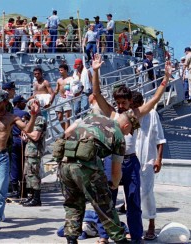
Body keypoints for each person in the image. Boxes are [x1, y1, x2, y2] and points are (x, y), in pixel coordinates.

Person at [92, 53, 172, 243]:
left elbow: (154, 100)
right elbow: (96, 94)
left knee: (134, 201)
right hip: (112, 161)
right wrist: (95, 71)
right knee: (108, 200)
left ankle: (136, 236)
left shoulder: (135, 115)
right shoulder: (111, 113)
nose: (120, 106)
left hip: (131, 161)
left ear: (130, 102)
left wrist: (166, 78)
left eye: (124, 103)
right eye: (118, 102)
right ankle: (105, 235)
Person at [58, 110, 140, 244]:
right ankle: (120, 240)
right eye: (129, 131)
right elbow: (116, 170)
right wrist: (114, 184)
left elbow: (68, 132)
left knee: (73, 204)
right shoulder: (119, 136)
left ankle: (71, 240)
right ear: (126, 126)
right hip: (86, 168)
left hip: (65, 164)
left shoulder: (94, 116)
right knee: (104, 205)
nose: (128, 134)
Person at [0, 89, 39, 232]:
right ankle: (0, 211)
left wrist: (33, 115)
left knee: (0, 190)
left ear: (5, 102)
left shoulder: (11, 117)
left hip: (2, 156)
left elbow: (27, 129)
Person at [132, 91, 166, 240]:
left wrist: (159, 159)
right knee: (132, 195)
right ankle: (135, 227)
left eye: (136, 106)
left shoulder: (152, 114)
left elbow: (160, 138)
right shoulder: (129, 114)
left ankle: (151, 223)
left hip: (148, 159)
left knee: (147, 192)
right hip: (132, 160)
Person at [21, 99, 47, 207]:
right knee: (28, 174)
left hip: (34, 151)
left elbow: (36, 136)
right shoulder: (33, 119)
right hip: (29, 150)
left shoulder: (39, 119)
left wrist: (27, 133)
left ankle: (36, 198)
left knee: (34, 175)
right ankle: (31, 196)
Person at [9, 95, 29, 199]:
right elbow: (28, 127)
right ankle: (23, 190)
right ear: (18, 103)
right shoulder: (24, 114)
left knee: (14, 165)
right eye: (23, 102)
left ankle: (14, 189)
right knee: (22, 165)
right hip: (21, 140)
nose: (25, 104)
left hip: (12, 140)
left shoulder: (9, 112)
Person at [54, 64, 73, 131]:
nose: (60, 71)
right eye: (59, 70)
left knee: (67, 118)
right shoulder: (59, 80)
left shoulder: (70, 79)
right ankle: (66, 131)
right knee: (59, 117)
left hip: (67, 98)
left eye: (61, 70)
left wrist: (66, 94)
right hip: (60, 98)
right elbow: (56, 90)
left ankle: (67, 134)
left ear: (66, 70)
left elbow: (70, 89)